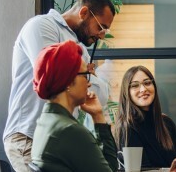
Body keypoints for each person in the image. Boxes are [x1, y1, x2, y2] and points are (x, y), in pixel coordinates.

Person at [3, 0, 116, 171]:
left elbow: (100, 95)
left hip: (59, 138)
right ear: (84, 13)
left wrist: (84, 74)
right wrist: (87, 72)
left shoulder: (80, 47)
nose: (102, 36)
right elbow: (54, 73)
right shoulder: (41, 26)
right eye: (101, 27)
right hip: (29, 134)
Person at [30, 40, 117, 171]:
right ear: (68, 82)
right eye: (85, 76)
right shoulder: (69, 131)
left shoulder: (46, 122)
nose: (89, 84)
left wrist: (98, 115)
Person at [114, 66, 176, 170]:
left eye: (147, 83)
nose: (143, 89)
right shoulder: (127, 127)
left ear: (154, 87)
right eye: (135, 85)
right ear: (127, 92)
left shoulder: (167, 123)